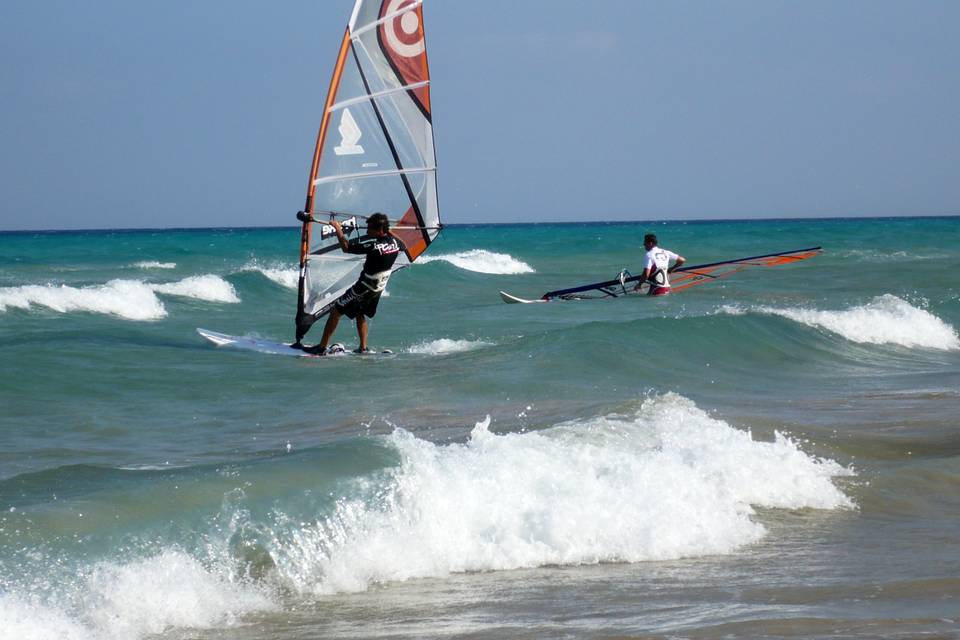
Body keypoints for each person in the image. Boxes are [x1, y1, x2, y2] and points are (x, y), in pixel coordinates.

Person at [305, 213, 405, 355]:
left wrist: (337, 229)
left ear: (380, 230)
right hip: (378, 288)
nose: (367, 231)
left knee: (336, 310)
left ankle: (321, 348)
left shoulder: (374, 245)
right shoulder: (395, 243)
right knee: (360, 312)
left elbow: (346, 247)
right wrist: (389, 231)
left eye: (370, 228)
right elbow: (404, 246)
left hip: (364, 286)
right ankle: (363, 348)